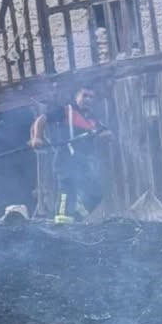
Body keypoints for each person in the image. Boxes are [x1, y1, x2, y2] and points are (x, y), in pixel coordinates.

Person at [54, 85, 111, 222]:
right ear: (76, 97)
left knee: (96, 193)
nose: (88, 99)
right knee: (67, 192)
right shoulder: (66, 111)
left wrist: (105, 135)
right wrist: (36, 137)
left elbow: (106, 132)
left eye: (91, 97)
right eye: (85, 95)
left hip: (83, 162)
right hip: (66, 160)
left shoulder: (92, 119)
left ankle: (76, 217)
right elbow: (41, 119)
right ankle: (61, 225)